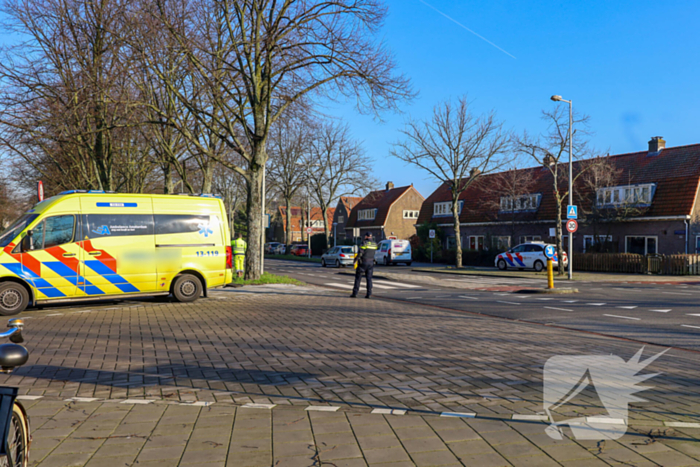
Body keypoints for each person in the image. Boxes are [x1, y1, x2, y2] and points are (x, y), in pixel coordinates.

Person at [351, 232, 378, 299]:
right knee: (369, 279)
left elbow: (360, 252)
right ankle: (369, 294)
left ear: (366, 236)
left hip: (363, 262)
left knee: (358, 278)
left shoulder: (364, 243)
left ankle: (355, 293)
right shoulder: (375, 244)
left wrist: (355, 260)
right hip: (371, 262)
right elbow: (374, 252)